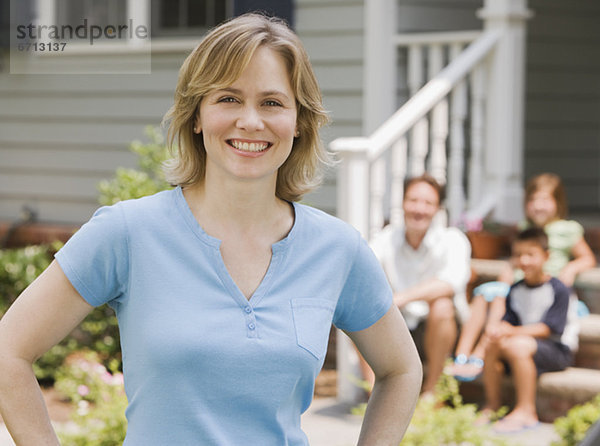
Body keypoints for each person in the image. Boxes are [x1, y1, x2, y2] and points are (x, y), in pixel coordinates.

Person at [0, 13, 422, 445]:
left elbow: (402, 369)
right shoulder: (128, 232)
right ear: (197, 115)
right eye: (228, 99)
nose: (251, 121)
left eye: (272, 103)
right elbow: (8, 352)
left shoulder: (337, 248)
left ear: (299, 123)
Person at [451, 172, 595, 381]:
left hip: (546, 291)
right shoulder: (525, 228)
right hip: (520, 286)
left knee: (500, 302)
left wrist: (571, 268)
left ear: (558, 202)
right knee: (485, 295)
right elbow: (513, 260)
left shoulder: (568, 229)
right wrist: (506, 277)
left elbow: (587, 258)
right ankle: (461, 354)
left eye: (545, 200)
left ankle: (480, 354)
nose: (538, 206)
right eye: (533, 200)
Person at [361, 174, 472, 396]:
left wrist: (401, 298)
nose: (419, 209)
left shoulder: (453, 239)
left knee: (442, 305)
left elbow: (450, 283)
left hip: (440, 329)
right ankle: (375, 395)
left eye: (427, 203)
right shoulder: (387, 237)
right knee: (360, 310)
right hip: (398, 324)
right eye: (413, 200)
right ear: (403, 203)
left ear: (438, 208)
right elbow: (362, 269)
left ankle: (433, 393)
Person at [481, 227, 575, 433]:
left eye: (530, 254)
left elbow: (549, 329)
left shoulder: (559, 289)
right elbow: (509, 322)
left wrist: (511, 332)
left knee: (517, 345)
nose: (524, 260)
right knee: (492, 344)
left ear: (546, 256)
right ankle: (493, 404)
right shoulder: (515, 289)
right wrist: (499, 331)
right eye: (518, 255)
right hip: (524, 346)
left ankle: (526, 411)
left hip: (556, 351)